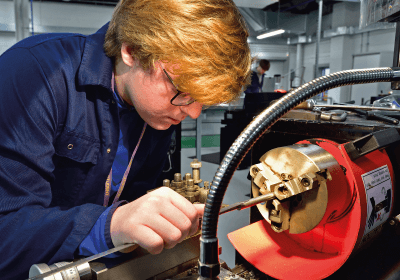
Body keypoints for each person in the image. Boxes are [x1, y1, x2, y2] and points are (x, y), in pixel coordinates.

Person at [0, 0, 251, 278]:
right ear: (131, 51)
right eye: (184, 91)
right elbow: (6, 234)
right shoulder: (33, 73)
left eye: (202, 100)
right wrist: (110, 225)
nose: (192, 113)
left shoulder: (155, 107)